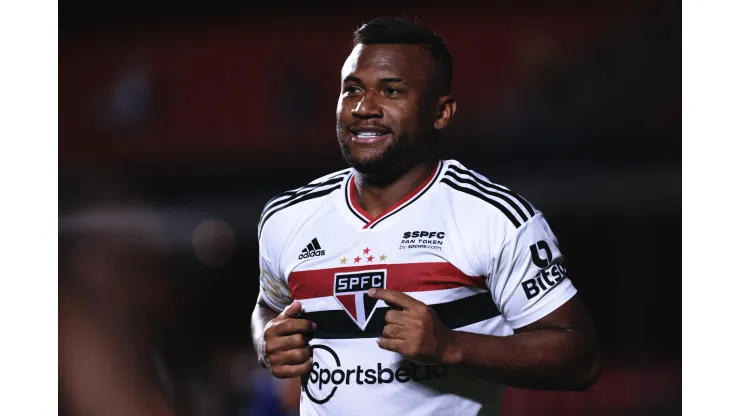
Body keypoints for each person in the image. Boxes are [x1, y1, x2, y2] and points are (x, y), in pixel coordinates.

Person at [251, 17, 599, 416]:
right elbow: (268, 306)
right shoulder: (286, 216)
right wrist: (265, 339)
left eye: (392, 91)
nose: (364, 108)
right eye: (353, 90)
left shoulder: (494, 218)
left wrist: (451, 345)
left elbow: (580, 358)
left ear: (442, 112)